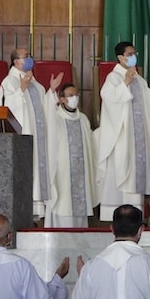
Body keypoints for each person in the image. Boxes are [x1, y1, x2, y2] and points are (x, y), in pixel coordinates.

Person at [95, 42, 150, 221]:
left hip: (139, 140)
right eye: (130, 53)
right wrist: (124, 85)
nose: (133, 56)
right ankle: (119, 220)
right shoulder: (114, 77)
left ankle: (134, 220)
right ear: (120, 57)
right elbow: (107, 97)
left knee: (135, 179)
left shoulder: (138, 78)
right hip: (122, 138)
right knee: (121, 174)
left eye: (134, 53)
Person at [0, 48, 62, 218]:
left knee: (37, 168)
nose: (29, 59)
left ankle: (37, 211)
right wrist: (20, 89)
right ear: (15, 62)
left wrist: (51, 91)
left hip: (38, 138)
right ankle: (25, 210)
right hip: (24, 136)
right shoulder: (10, 81)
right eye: (25, 57)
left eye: (29, 56)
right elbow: (8, 107)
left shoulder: (34, 83)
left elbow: (44, 107)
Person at [45, 83, 96, 227]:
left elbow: (91, 145)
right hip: (62, 175)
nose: (75, 98)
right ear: (61, 99)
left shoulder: (83, 120)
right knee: (63, 205)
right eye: (70, 96)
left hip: (81, 176)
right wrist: (52, 91)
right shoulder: (55, 119)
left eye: (76, 95)